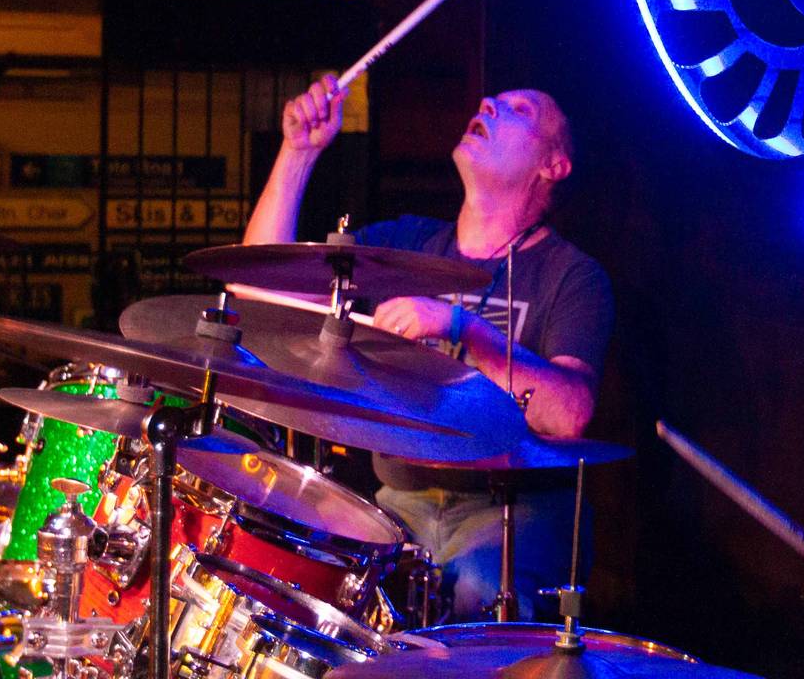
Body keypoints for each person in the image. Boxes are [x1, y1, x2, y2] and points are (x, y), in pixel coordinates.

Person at [244, 77, 614, 621]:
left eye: (520, 109)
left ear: (553, 165)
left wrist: (465, 327)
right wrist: (298, 153)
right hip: (400, 502)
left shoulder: (571, 276)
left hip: (514, 512)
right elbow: (260, 287)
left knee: (476, 589)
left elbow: (570, 414)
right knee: (319, 590)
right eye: (492, 99)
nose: (488, 104)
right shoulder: (407, 245)